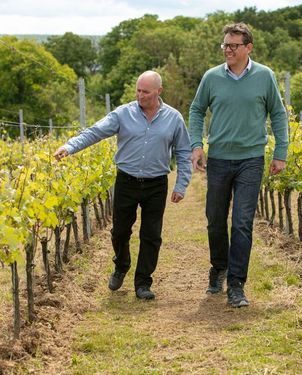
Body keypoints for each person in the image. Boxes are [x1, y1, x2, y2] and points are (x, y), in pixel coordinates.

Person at [54, 71, 192, 300]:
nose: (140, 96)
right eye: (138, 91)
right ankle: (121, 265)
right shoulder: (123, 113)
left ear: (159, 91)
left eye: (146, 92)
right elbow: (95, 132)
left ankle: (143, 283)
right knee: (119, 231)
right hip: (126, 181)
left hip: (156, 183)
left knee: (151, 235)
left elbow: (184, 152)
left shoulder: (174, 118)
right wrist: (70, 147)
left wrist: (181, 184)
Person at [189, 23, 289, 308]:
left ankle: (236, 284)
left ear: (248, 48)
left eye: (233, 45)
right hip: (219, 159)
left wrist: (280, 152)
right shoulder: (211, 78)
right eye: (225, 45)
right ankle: (218, 267)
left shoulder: (264, 76)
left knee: (242, 223)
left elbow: (278, 115)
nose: (228, 50)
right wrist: (197, 144)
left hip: (251, 159)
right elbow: (196, 110)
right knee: (215, 220)